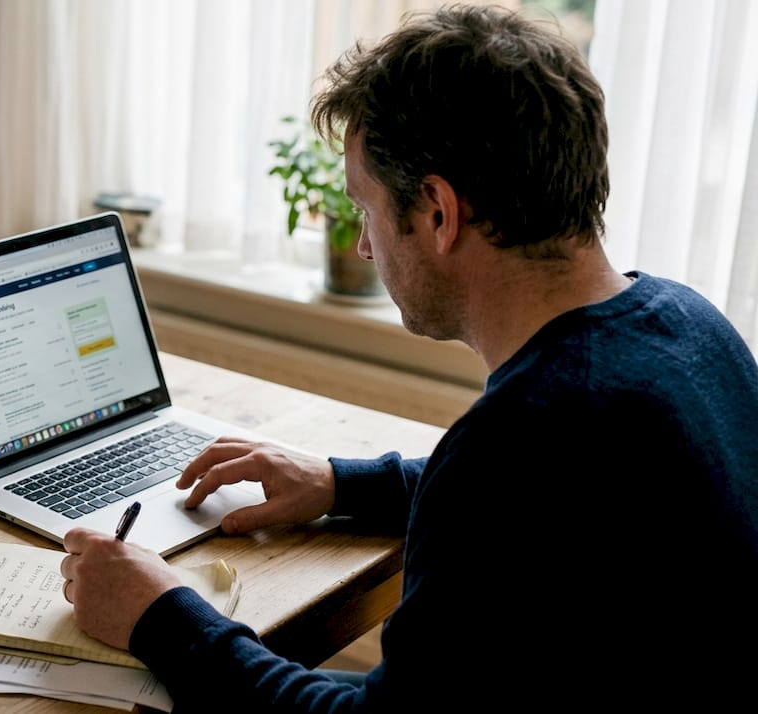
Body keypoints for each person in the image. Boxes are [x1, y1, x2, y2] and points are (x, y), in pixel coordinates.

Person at [59, 5, 758, 711]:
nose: (364, 246)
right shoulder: (689, 327)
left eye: (364, 208)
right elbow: (545, 500)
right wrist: (341, 483)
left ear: (437, 213)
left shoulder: (525, 437)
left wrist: (158, 611)